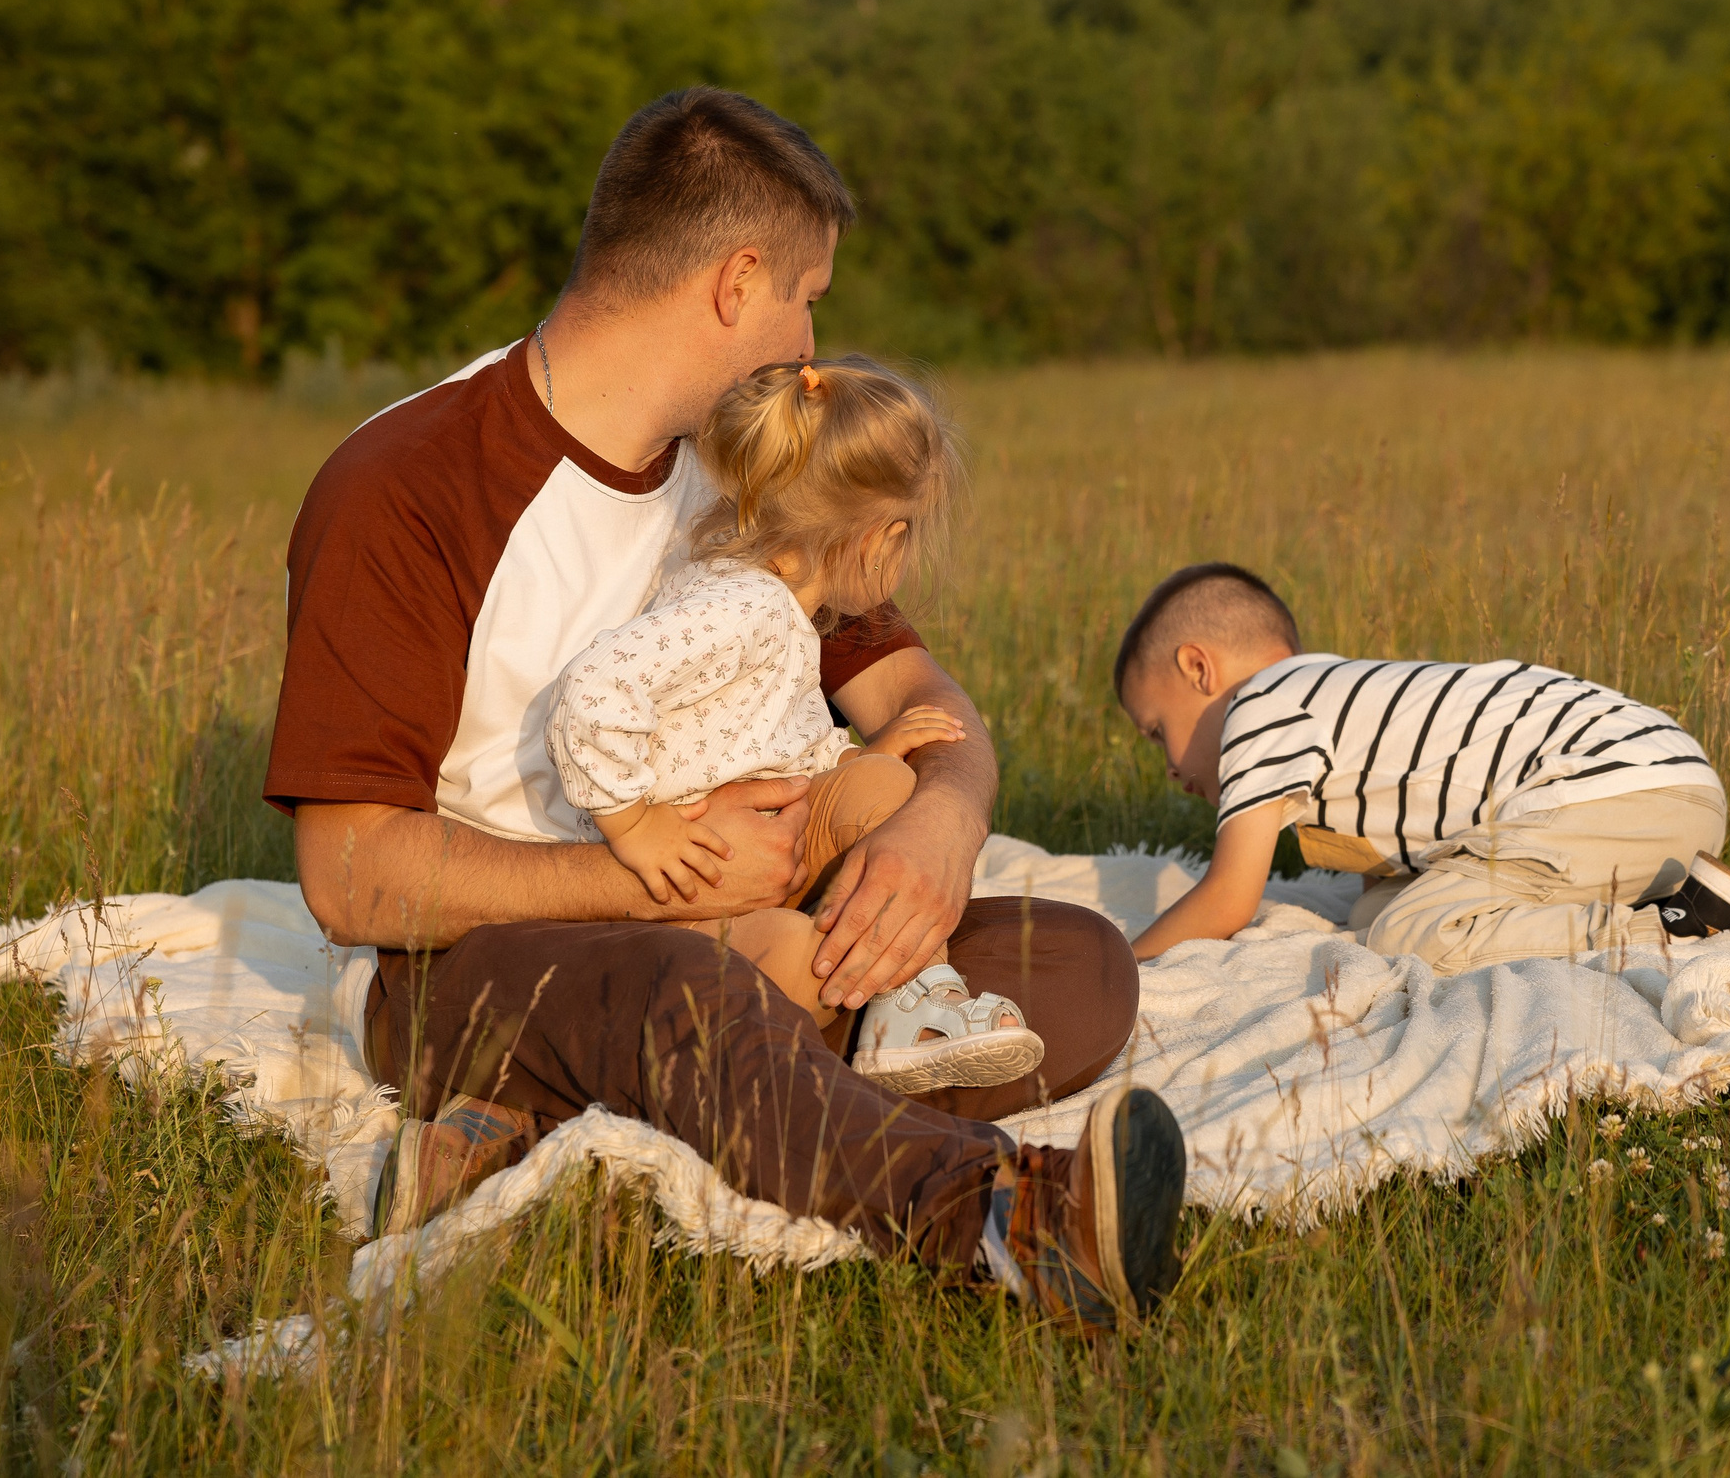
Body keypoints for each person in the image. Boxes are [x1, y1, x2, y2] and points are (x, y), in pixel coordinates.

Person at [267, 87, 1181, 1329]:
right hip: (482, 970)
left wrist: (941, 827)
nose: (814, 338)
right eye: (809, 293)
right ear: (736, 281)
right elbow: (352, 874)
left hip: (755, 924)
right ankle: (1004, 1217)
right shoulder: (407, 486)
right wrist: (660, 886)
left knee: (1070, 969)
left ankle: (574, 1125)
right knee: (675, 994)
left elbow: (914, 693)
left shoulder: (747, 466)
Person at [547, 353, 1045, 1096]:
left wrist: (860, 756)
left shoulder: (772, 603)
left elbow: (753, 736)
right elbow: (591, 690)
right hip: (692, 894)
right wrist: (636, 827)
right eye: (908, 541)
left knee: (883, 785)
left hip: (770, 847)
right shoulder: (739, 607)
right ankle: (832, 1061)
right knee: (790, 956)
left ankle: (910, 1008)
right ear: (879, 539)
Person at [1113, 562, 1730, 969]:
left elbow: (1229, 897)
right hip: (1652, 785)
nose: (1170, 769)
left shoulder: (1258, 707)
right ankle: (1671, 900)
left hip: (1610, 789)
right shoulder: (1328, 696)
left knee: (1409, 930)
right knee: (1380, 904)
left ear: (1200, 669)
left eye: (1156, 731)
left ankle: (1685, 928)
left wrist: (1126, 961)